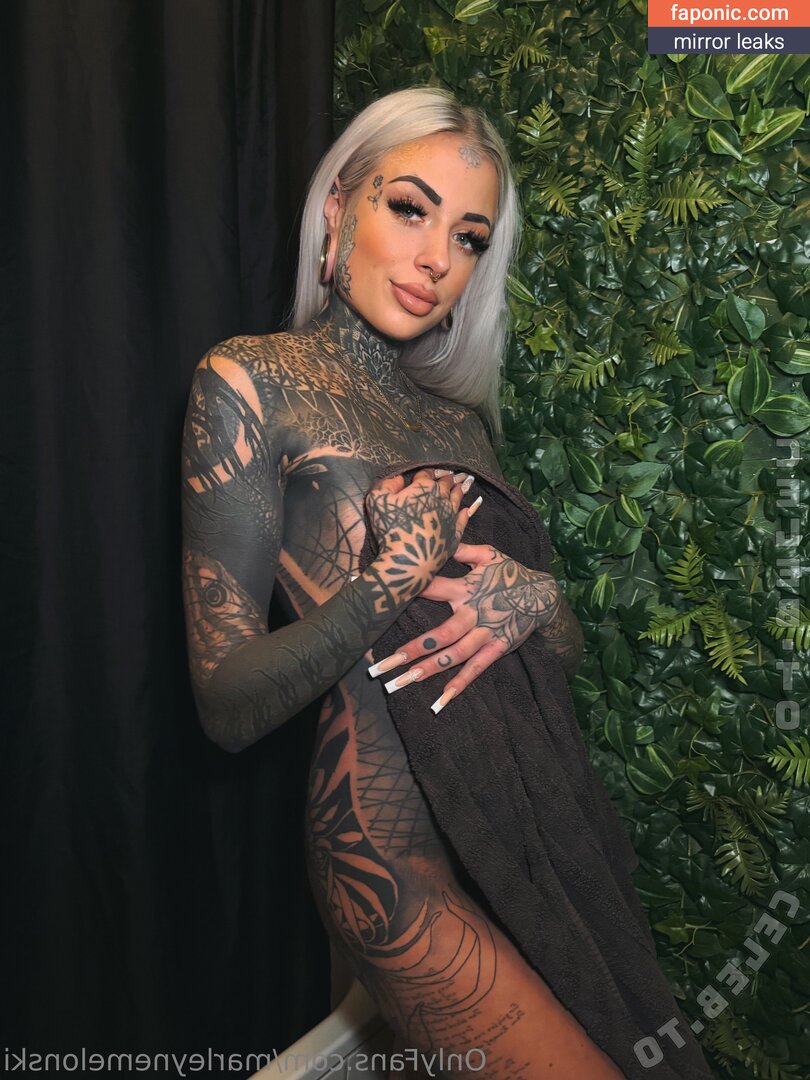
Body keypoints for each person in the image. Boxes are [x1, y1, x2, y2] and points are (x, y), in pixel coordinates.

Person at [180, 87, 662, 1079]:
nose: (437, 256)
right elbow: (225, 704)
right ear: (338, 208)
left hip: (523, 839)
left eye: (469, 237)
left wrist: (540, 602)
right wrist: (389, 576)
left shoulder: (458, 423)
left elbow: (540, 654)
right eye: (409, 208)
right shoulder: (249, 380)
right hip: (394, 869)